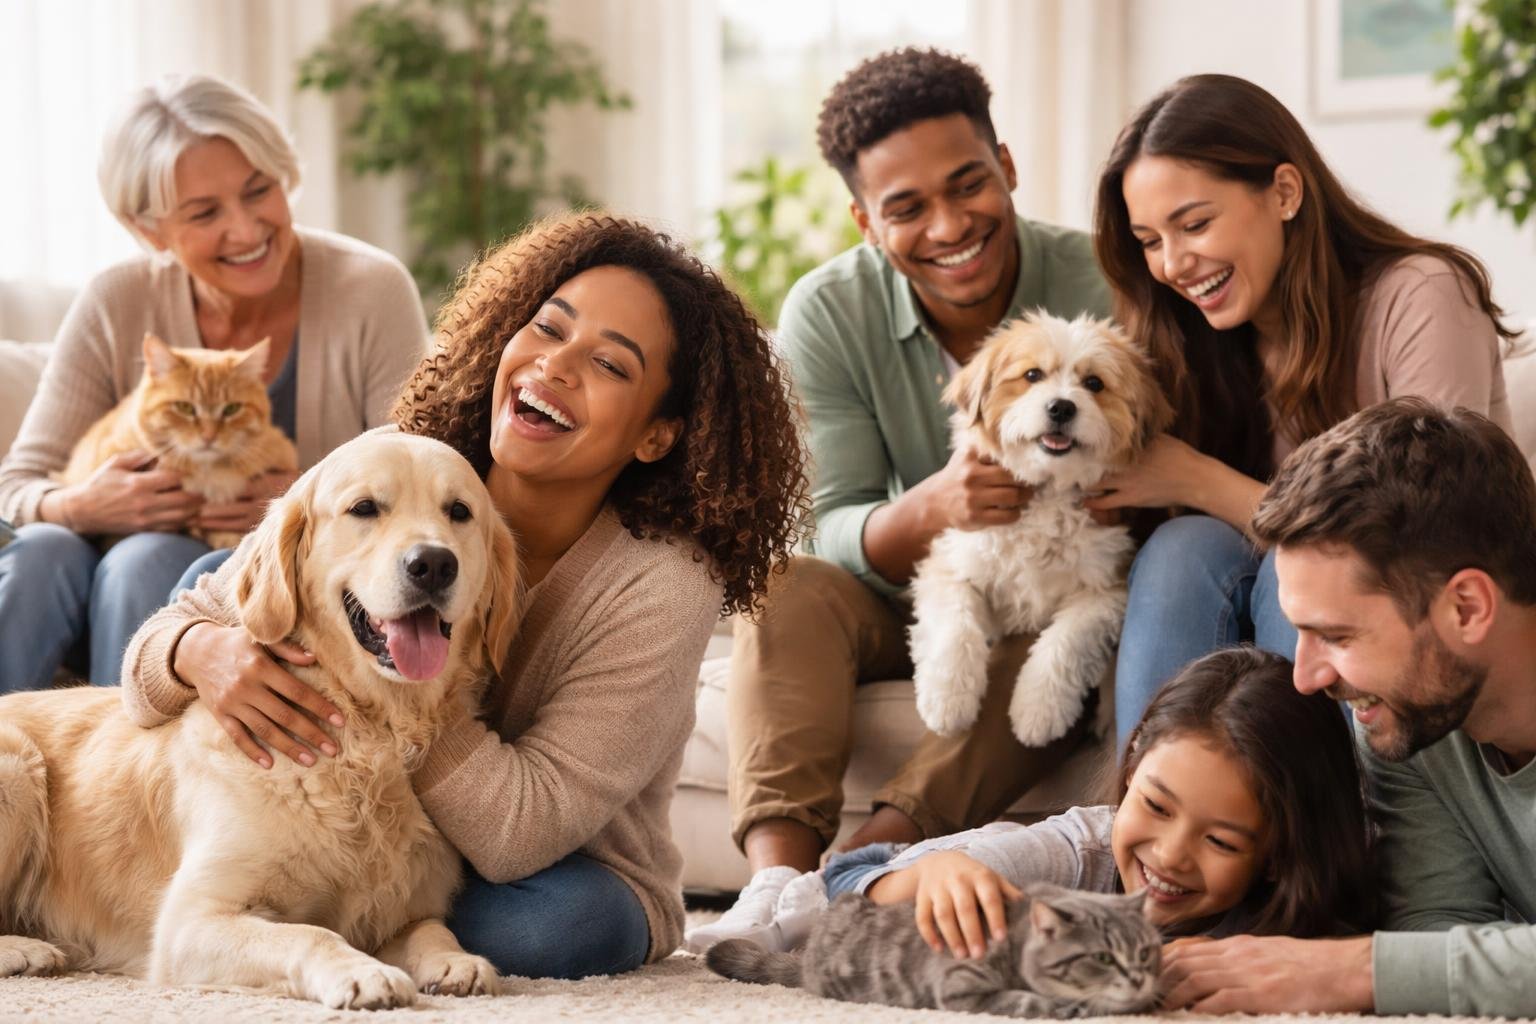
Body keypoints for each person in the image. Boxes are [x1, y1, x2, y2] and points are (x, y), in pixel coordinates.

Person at [120, 211, 810, 978]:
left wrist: (404, 710)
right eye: (548, 329)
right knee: (206, 593)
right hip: (378, 820)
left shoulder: (662, 588)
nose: (555, 367)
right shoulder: (403, 467)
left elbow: (523, 830)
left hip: (548, 864)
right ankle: (294, 910)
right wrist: (198, 650)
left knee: (561, 924)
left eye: (611, 366)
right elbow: (147, 674)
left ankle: (336, 916)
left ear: (657, 435)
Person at [690, 47, 1113, 953]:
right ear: (865, 220)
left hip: (1053, 586)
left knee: (1049, 649)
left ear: (1008, 167)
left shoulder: (1100, 283)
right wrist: (932, 507)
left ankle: (864, 868)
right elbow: (827, 518)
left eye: (969, 185)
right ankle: (775, 879)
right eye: (907, 208)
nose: (950, 224)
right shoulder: (829, 311)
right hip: (894, 596)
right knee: (785, 582)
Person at [1084, 74, 1518, 748]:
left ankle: (1319, 833)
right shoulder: (1198, 343)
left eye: (1194, 223)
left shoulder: (1420, 295)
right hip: (1242, 599)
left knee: (1301, 585)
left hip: (1395, 604)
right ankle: (1146, 814)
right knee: (1183, 549)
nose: (1171, 263)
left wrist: (1197, 479)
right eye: (1148, 240)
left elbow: (1432, 539)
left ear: (1285, 192)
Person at [0, 73, 428, 694]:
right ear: (149, 229)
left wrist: (306, 500)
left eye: (261, 191)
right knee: (42, 550)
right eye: (205, 213)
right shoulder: (116, 300)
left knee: (142, 560)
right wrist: (80, 504)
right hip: (85, 567)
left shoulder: (370, 288)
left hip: (233, 575)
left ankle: (124, 776)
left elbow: (418, 473)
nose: (247, 229)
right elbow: (16, 483)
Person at [1160, 398, 1536, 1017]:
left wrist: (1353, 968)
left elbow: (1404, 970)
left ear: (1466, 608)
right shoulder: (1413, 724)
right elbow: (1434, 937)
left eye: (1336, 636)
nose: (1305, 678)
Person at [739, 646, 1373, 959]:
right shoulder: (1076, 854)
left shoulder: (1299, 910)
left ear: (1275, 854)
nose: (1169, 854)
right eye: (1154, 806)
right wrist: (930, 872)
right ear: (1129, 772)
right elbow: (842, 882)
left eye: (1222, 841)